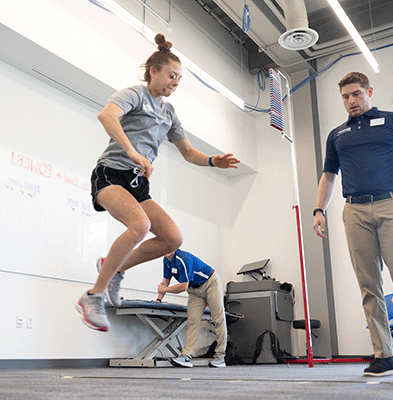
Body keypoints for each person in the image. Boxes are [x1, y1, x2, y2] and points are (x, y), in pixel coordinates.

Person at [75, 33, 240, 332]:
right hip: (111, 173)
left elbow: (188, 152)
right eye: (171, 75)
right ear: (154, 71)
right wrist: (132, 151)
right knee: (140, 226)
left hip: (138, 184)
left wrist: (214, 160)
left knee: (172, 238)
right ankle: (93, 295)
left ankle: (115, 268)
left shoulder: (169, 113)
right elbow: (107, 116)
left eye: (179, 79)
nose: (175, 82)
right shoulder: (135, 95)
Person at [312, 72, 393, 377]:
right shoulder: (337, 134)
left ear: (369, 91)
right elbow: (329, 175)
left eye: (356, 94)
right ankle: (383, 355)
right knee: (368, 284)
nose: (351, 101)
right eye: (345, 97)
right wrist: (319, 209)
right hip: (354, 211)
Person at [157, 249, 227, 368]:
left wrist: (165, 290)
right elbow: (165, 281)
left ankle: (220, 357)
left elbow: (183, 286)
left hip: (211, 283)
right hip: (194, 290)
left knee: (218, 319)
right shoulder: (166, 260)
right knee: (192, 321)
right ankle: (186, 356)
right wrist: (159, 299)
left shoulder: (183, 259)